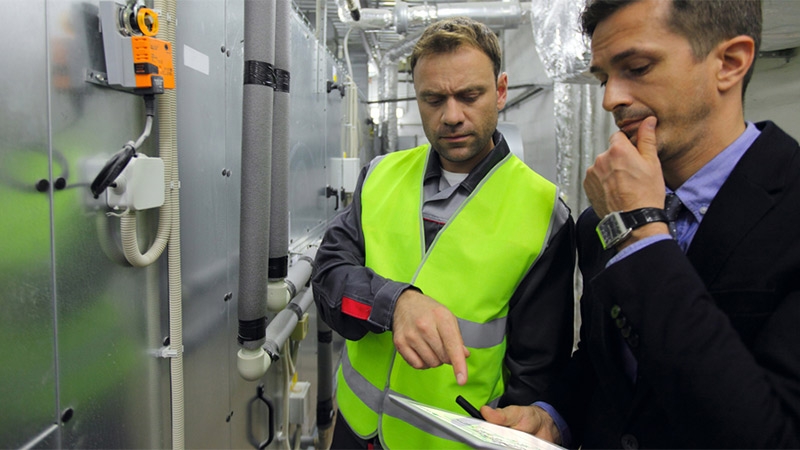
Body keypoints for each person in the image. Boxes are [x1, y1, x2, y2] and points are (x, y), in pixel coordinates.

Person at [481, 0, 800, 448]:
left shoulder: (628, 222)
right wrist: (553, 416)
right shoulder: (601, 220)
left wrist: (641, 233)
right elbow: (605, 361)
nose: (611, 99)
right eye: (603, 78)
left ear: (730, 63)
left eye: (637, 68)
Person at [311, 16, 576, 449]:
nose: (452, 116)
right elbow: (328, 277)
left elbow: (536, 374)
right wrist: (394, 304)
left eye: (470, 96)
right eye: (433, 99)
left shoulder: (544, 214)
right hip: (355, 431)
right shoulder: (380, 175)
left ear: (501, 91)